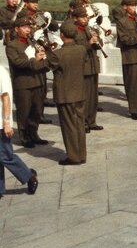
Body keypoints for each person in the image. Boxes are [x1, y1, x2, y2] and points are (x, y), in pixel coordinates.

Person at [5, 17, 49, 147]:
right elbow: (17, 62)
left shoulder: (32, 42)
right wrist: (34, 60)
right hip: (23, 82)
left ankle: (34, 133)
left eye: (29, 27)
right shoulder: (12, 45)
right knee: (24, 110)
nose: (27, 29)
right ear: (17, 29)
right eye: (24, 27)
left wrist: (42, 55)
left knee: (37, 110)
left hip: (37, 80)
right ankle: (24, 137)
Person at [47, 29, 87, 165]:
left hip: (65, 94)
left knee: (69, 126)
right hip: (79, 92)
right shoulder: (82, 49)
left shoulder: (58, 54)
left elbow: (46, 65)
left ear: (62, 35)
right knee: (79, 125)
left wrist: (42, 54)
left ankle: (73, 157)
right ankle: (81, 155)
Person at [0, 62, 38, 200]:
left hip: (1, 123)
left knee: (5, 156)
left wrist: (7, 122)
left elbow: (6, 98)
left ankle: (28, 175)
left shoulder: (1, 72)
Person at [62, 6, 103, 132]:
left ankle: (92, 120)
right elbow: (75, 49)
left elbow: (99, 44)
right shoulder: (73, 31)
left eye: (86, 17)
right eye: (83, 17)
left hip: (92, 65)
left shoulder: (88, 29)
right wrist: (89, 43)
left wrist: (97, 40)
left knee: (93, 96)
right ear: (76, 18)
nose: (86, 19)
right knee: (84, 96)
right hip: (82, 67)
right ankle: (83, 121)